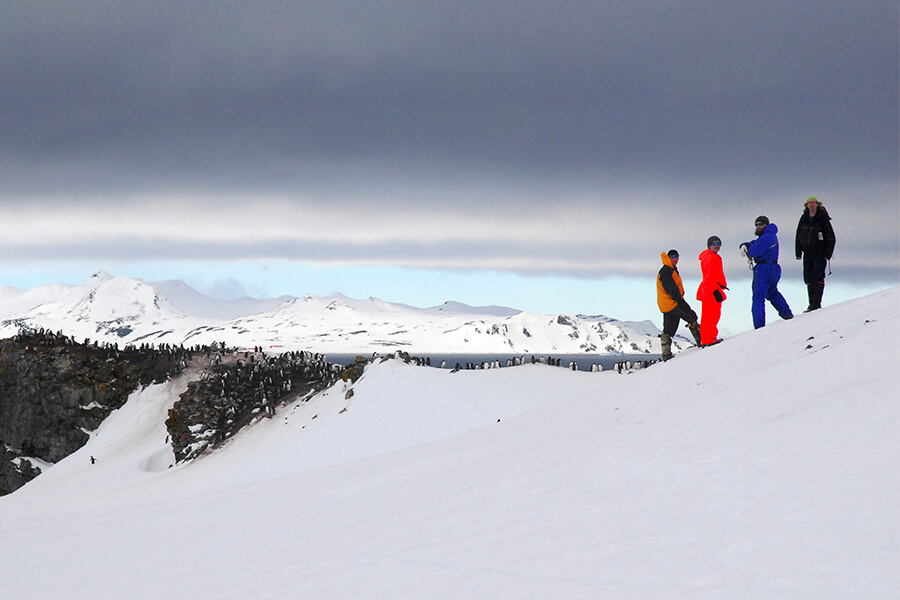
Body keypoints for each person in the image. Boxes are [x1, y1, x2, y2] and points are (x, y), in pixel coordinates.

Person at [740, 216, 793, 329]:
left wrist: (747, 249)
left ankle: (759, 327)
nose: (758, 227)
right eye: (756, 225)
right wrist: (745, 245)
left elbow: (754, 251)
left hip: (763, 269)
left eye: (761, 224)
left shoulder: (766, 237)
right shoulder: (770, 236)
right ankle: (787, 314)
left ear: (766, 225)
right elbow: (755, 243)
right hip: (774, 268)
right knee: (772, 293)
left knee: (758, 298)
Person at [657, 249, 701, 360]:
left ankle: (666, 354)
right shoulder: (666, 271)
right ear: (668, 258)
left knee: (669, 329)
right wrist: (682, 302)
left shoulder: (670, 270)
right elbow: (672, 290)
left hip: (666, 304)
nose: (675, 259)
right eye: (672, 256)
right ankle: (702, 341)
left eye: (677, 257)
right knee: (691, 317)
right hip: (672, 302)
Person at [795, 196, 836, 311]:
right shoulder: (804, 218)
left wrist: (828, 253)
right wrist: (798, 251)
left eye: (813, 203)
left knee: (817, 275)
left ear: (817, 204)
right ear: (806, 205)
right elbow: (798, 235)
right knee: (808, 277)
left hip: (819, 251)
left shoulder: (822, 218)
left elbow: (831, 237)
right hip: (807, 251)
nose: (811, 205)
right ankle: (811, 303)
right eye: (809, 203)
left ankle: (816, 303)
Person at [696, 236, 727, 346]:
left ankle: (710, 338)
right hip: (710, 290)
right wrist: (714, 290)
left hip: (712, 289)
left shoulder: (713, 257)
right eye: (714, 243)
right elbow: (709, 276)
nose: (717, 246)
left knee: (712, 316)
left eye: (719, 244)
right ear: (709, 245)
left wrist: (721, 286)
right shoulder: (709, 258)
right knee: (710, 316)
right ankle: (708, 340)